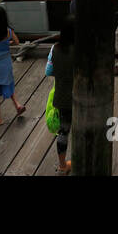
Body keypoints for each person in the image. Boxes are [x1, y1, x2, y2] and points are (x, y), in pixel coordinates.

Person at [49, 17, 75, 174]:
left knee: (63, 132)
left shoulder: (55, 49)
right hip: (79, 98)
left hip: (61, 97)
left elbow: (50, 71)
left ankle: (62, 165)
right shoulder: (78, 51)